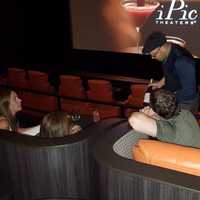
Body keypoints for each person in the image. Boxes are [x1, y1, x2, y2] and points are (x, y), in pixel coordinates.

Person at [142, 31, 199, 112]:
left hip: (185, 103)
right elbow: (170, 70)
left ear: (161, 48)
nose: (152, 58)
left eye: (154, 55)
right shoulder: (168, 51)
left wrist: (167, 97)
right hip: (174, 98)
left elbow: (190, 92)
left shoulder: (182, 61)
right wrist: (161, 83)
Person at [129, 89, 200, 148]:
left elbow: (134, 120)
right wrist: (154, 116)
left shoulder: (171, 133)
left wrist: (143, 114)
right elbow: (167, 118)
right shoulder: (186, 113)